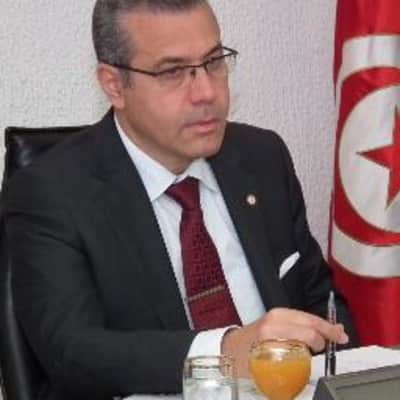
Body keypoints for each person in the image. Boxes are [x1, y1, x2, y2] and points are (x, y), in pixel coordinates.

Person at [3, 0, 357, 399]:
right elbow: (73, 353)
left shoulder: (262, 157)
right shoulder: (52, 192)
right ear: (114, 85)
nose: (207, 92)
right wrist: (225, 351)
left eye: (214, 62)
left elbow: (322, 304)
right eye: (172, 72)